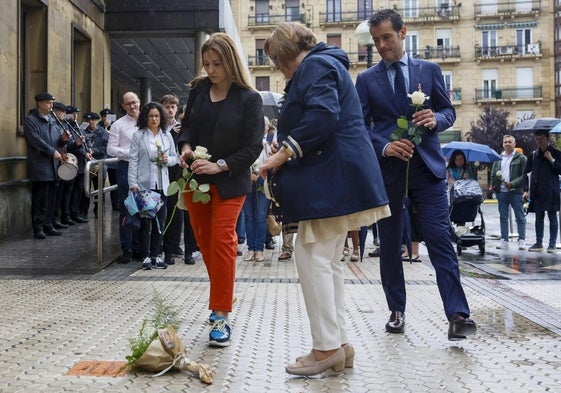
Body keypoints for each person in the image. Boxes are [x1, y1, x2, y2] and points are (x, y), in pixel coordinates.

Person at [260, 22, 390, 377]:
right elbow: (321, 115)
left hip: (331, 180)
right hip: (339, 177)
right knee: (327, 261)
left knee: (312, 257)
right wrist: (285, 144)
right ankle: (339, 345)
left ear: (287, 52)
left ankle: (326, 348)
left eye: (275, 59)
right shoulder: (326, 63)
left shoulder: (314, 66)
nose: (276, 67)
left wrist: (282, 153)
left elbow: (322, 115)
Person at [355, 9, 477, 341]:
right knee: (391, 243)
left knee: (439, 240)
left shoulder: (429, 70)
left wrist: (435, 120)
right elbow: (361, 127)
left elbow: (448, 110)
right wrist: (384, 147)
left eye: (387, 38)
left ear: (403, 33)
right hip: (388, 174)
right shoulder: (365, 80)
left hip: (428, 171)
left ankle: (457, 314)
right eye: (376, 40)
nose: (381, 45)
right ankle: (397, 310)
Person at [177, 33, 264, 347]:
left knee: (223, 243)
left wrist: (221, 165)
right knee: (206, 246)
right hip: (195, 181)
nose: (211, 70)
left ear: (231, 61)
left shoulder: (249, 98)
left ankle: (220, 315)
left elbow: (254, 147)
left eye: (217, 64)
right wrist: (185, 148)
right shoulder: (199, 90)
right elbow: (186, 128)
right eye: (206, 64)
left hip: (230, 182)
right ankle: (222, 298)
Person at [129, 102, 178, 270]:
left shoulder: (166, 135)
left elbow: (175, 157)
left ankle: (156, 255)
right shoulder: (139, 136)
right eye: (151, 116)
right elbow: (133, 160)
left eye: (157, 116)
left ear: (161, 117)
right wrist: (133, 183)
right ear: (145, 117)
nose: (154, 119)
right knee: (145, 222)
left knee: (160, 222)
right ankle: (145, 257)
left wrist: (167, 160)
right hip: (144, 185)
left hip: (162, 184)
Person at [160, 94, 198, 265]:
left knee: (189, 213)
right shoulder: (162, 129)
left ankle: (189, 251)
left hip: (188, 173)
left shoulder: (184, 127)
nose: (171, 110)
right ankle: (169, 249)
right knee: (172, 213)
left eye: (173, 107)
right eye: (167, 106)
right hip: (170, 174)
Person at [24, 92, 67, 239]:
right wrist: (52, 151)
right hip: (40, 165)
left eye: (51, 103)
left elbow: (55, 140)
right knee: (40, 198)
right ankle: (38, 227)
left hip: (53, 165)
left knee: (51, 198)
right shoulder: (31, 120)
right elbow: (35, 141)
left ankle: (48, 224)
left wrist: (63, 140)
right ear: (40, 103)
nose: (51, 106)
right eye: (49, 103)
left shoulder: (52, 120)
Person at [107, 92, 141, 263]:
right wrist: (133, 153)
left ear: (139, 102)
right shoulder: (118, 125)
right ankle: (127, 248)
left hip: (145, 169)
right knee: (127, 209)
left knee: (144, 208)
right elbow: (111, 150)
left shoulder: (149, 120)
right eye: (128, 104)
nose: (132, 106)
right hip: (126, 168)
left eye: (134, 102)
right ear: (123, 106)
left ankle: (141, 247)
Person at [524, 129, 561, 253]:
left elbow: (559, 170)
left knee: (552, 217)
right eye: (537, 139)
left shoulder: (556, 153)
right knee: (539, 217)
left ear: (547, 138)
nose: (539, 142)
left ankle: (552, 244)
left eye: (542, 139)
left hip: (551, 190)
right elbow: (526, 173)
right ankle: (539, 243)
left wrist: (551, 159)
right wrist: (526, 190)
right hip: (537, 191)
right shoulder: (533, 155)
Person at [490, 135, 527, 250]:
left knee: (520, 216)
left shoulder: (521, 158)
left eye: (509, 142)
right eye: (505, 142)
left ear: (514, 144)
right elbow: (493, 173)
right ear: (502, 144)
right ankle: (504, 240)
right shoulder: (498, 158)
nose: (507, 144)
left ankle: (522, 240)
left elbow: (524, 175)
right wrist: (494, 187)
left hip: (515, 192)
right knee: (503, 217)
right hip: (502, 192)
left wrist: (513, 183)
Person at [242, 117, 271, 262]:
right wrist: (248, 174)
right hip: (247, 181)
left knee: (260, 216)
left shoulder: (268, 145)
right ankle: (251, 248)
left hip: (262, 181)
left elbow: (272, 164)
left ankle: (259, 248)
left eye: (264, 124)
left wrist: (261, 172)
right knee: (248, 216)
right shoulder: (246, 142)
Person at [65, 105, 92, 223]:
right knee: (69, 190)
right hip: (71, 162)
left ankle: (75, 213)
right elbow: (72, 144)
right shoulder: (65, 127)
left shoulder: (77, 127)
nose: (75, 116)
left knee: (78, 190)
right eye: (73, 114)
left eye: (76, 114)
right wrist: (84, 152)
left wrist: (90, 149)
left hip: (81, 164)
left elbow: (86, 139)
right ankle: (67, 214)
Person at [81, 112, 109, 219]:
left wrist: (93, 150)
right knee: (85, 189)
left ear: (98, 121)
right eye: (88, 120)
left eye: (93, 120)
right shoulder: (82, 131)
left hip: (100, 164)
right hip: (86, 164)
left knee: (99, 189)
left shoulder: (103, 133)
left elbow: (105, 149)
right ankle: (83, 212)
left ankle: (98, 210)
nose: (90, 122)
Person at [100, 108, 119, 212]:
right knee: (100, 181)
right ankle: (99, 205)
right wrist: (105, 126)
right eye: (104, 116)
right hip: (102, 157)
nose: (106, 118)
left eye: (109, 116)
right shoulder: (98, 126)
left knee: (114, 182)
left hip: (112, 160)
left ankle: (116, 203)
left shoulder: (116, 125)